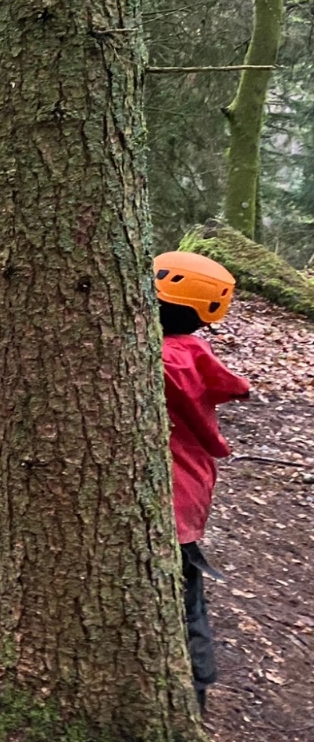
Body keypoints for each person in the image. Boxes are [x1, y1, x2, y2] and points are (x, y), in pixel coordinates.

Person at [155, 250, 250, 715]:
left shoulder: (153, 358)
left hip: (169, 496)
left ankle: (195, 688)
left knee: (182, 595)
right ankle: (195, 686)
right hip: (190, 488)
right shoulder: (195, 353)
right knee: (184, 591)